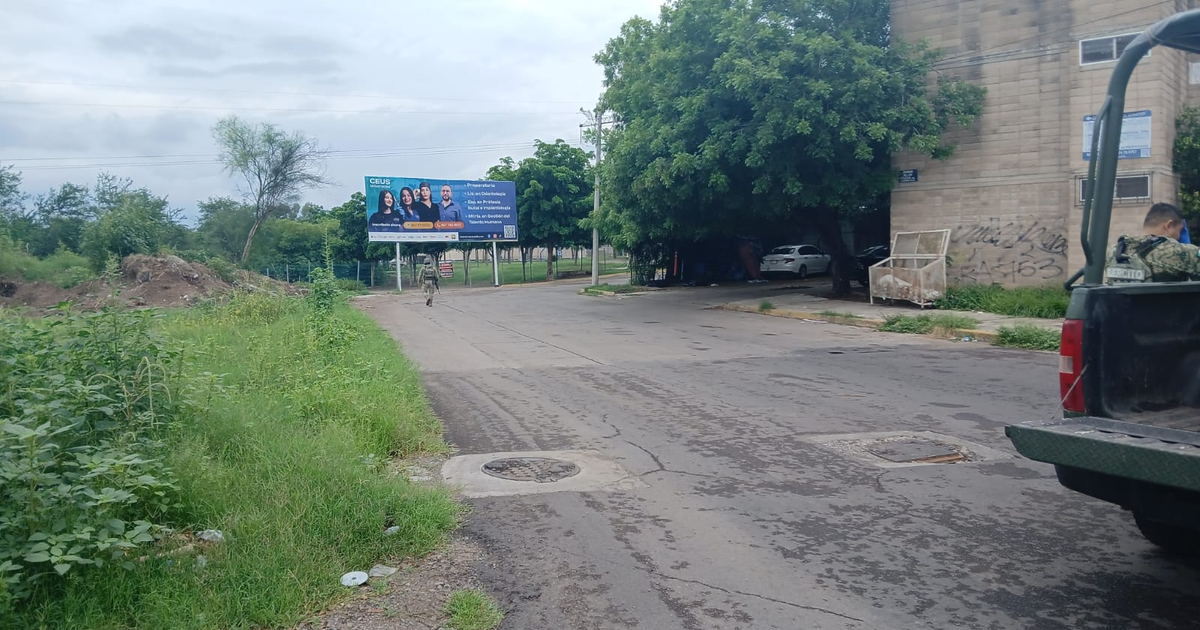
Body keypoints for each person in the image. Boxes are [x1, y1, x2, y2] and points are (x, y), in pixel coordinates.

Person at [1106, 202, 1200, 283]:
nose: (1179, 236)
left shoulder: (1112, 252)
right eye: (1179, 231)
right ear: (1169, 225)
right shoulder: (1180, 252)